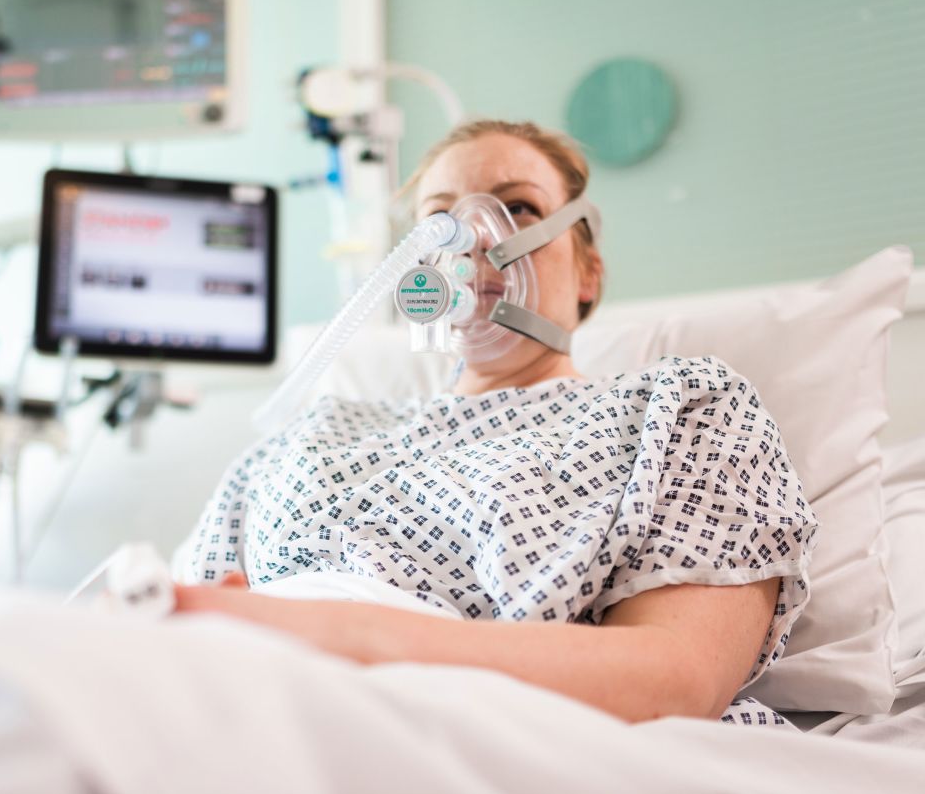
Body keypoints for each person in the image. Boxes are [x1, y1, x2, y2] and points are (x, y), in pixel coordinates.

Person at [171, 120, 817, 725]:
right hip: (237, 710)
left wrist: (348, 636)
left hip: (478, 731)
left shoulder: (679, 412)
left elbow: (678, 680)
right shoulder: (314, 431)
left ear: (588, 273)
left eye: (520, 209)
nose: (474, 237)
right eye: (438, 220)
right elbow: (176, 620)